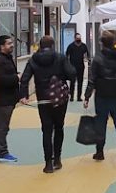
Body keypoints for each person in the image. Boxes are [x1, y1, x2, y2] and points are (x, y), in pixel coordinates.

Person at [20, 36, 75, 174]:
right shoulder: (60, 57)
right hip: (59, 98)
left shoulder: (34, 59)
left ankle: (48, 164)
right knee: (59, 127)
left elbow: (24, 78)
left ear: (40, 45)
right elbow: (71, 74)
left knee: (46, 130)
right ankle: (57, 159)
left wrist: (24, 95)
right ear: (53, 45)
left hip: (43, 99)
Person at [84, 31, 116, 162]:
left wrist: (87, 95)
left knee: (101, 122)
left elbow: (92, 78)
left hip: (101, 94)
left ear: (101, 43)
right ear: (113, 43)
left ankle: (99, 151)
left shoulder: (98, 58)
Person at [0, 35, 22, 163]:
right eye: (9, 43)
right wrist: (16, 77)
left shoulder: (6, 59)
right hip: (2, 100)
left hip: (7, 99)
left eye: (12, 42)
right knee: (2, 127)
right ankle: (2, 152)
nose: (12, 45)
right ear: (2, 46)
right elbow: (0, 79)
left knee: (2, 126)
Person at [65, 33, 90, 98]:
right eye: (77, 38)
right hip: (72, 66)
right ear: (75, 38)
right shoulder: (71, 46)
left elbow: (87, 54)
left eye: (79, 38)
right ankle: (72, 96)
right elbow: (67, 55)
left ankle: (79, 97)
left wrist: (88, 60)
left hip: (81, 66)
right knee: (72, 82)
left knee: (80, 82)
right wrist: (67, 65)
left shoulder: (83, 46)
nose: (78, 39)